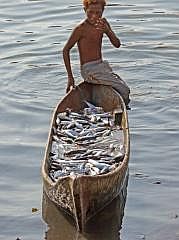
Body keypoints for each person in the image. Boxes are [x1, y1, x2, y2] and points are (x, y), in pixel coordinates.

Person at [63, 0, 130, 105]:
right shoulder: (81, 28)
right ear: (85, 10)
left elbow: (117, 44)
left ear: (103, 11)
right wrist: (70, 78)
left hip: (101, 66)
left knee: (121, 87)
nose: (94, 16)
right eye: (90, 12)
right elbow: (66, 50)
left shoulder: (103, 23)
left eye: (98, 13)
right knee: (125, 90)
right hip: (89, 70)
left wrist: (108, 31)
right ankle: (120, 108)